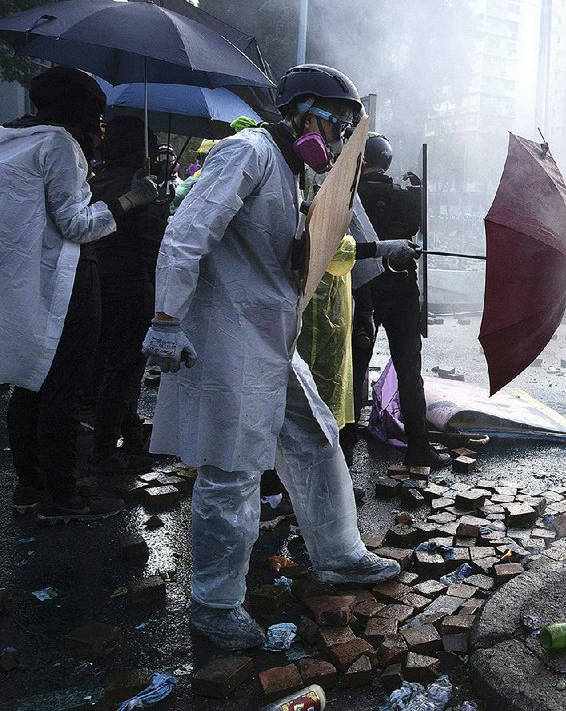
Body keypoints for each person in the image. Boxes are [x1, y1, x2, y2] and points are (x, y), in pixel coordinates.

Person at [142, 64, 405, 652]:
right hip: (229, 335)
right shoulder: (247, 152)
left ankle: (338, 556)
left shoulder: (290, 173)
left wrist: (373, 248)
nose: (337, 143)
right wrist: (165, 318)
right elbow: (187, 234)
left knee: (314, 436)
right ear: (304, 111)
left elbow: (294, 254)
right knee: (232, 471)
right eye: (335, 127)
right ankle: (214, 605)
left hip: (268, 337)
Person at [0, 66, 158, 522]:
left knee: (29, 383)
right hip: (68, 282)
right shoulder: (60, 146)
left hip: (23, 279)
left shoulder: (13, 141)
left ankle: (28, 487)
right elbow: (74, 224)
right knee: (64, 387)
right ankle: (63, 495)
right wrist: (129, 202)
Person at [341, 134, 451, 468]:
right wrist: (416, 190)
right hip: (402, 290)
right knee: (408, 368)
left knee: (354, 370)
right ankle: (419, 445)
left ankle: (343, 455)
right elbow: (416, 230)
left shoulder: (351, 194)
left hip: (364, 291)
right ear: (387, 162)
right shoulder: (406, 197)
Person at [90, 116, 170, 473]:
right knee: (125, 371)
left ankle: (132, 432)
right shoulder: (137, 187)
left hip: (99, 287)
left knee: (113, 366)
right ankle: (106, 449)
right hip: (134, 289)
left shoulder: (98, 181)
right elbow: (154, 244)